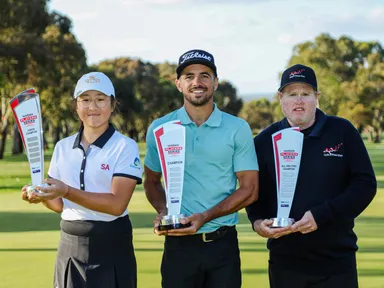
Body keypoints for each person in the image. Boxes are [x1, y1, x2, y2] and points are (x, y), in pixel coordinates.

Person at [246, 64, 377, 288]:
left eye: (306, 94)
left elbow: (365, 185)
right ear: (281, 98)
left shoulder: (342, 131)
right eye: (292, 94)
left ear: (316, 97)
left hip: (337, 263)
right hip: (285, 264)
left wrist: (321, 215)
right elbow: (255, 194)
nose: (299, 101)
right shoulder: (263, 141)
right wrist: (257, 222)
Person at [144, 49, 259, 288]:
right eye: (189, 76)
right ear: (178, 84)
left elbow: (250, 189)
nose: (197, 82)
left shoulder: (237, 128)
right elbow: (152, 180)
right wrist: (165, 211)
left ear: (216, 83)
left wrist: (205, 217)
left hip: (222, 245)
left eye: (205, 75)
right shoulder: (160, 128)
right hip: (178, 247)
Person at [21, 72, 143, 288]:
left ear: (112, 104)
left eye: (100, 99)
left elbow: (117, 204)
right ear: (76, 106)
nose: (92, 107)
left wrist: (66, 190)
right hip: (70, 245)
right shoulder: (62, 147)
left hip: (112, 245)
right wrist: (41, 195)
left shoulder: (125, 146)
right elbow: (58, 204)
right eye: (85, 99)